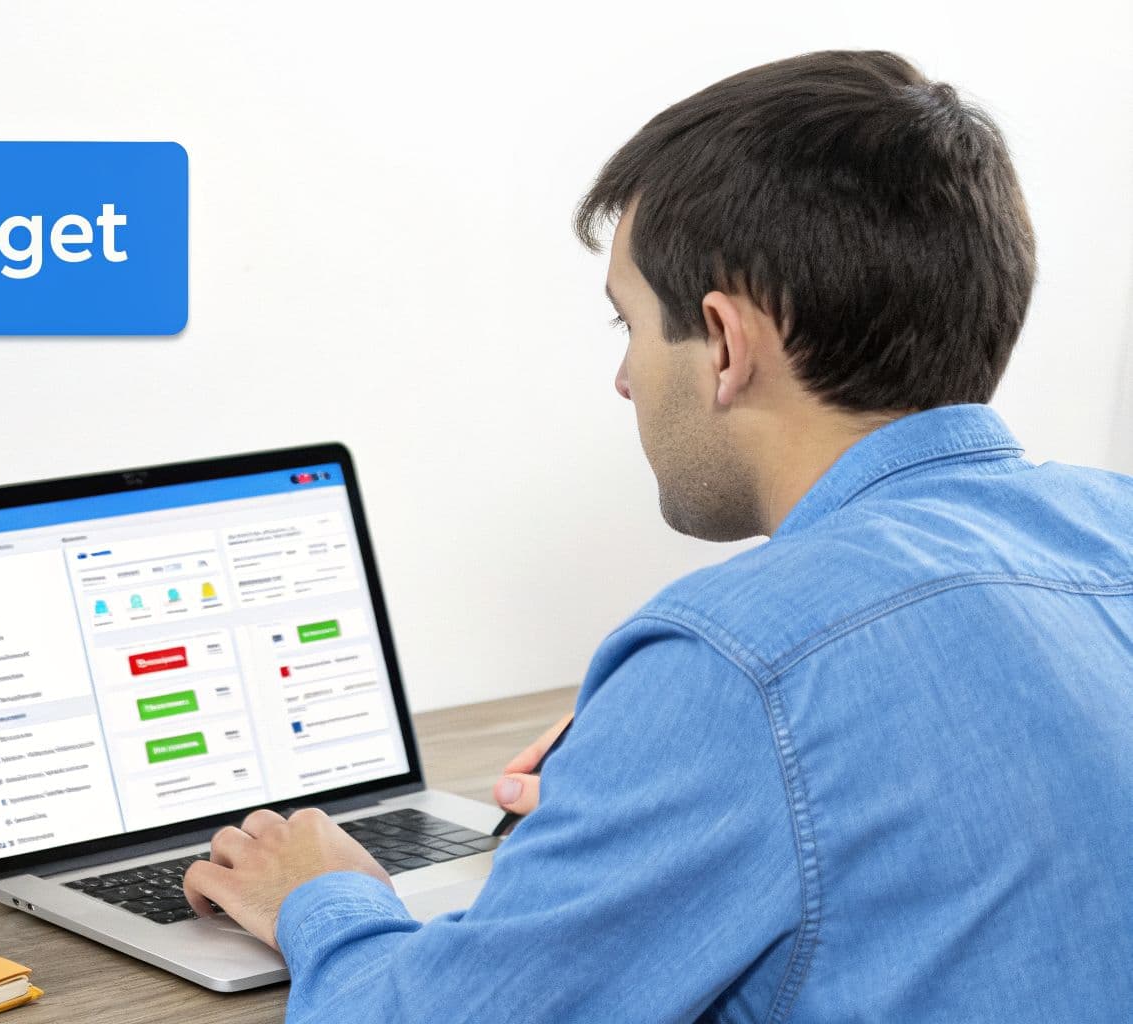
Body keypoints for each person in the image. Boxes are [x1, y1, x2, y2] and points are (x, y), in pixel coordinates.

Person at [181, 50, 1133, 1021]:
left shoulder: (738, 662)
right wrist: (631, 793)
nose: (625, 378)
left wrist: (319, 895)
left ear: (721, 343)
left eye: (625, 324)